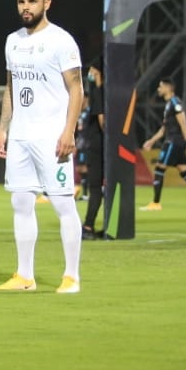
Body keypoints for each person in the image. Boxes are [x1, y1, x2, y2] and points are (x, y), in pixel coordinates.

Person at [0, 0, 85, 294]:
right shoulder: (12, 41)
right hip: (20, 136)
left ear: (46, 3)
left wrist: (69, 131)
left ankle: (71, 277)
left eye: (32, 2)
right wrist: (3, 128)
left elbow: (77, 89)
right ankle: (25, 276)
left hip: (51, 136)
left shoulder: (62, 41)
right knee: (20, 203)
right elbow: (11, 87)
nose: (25, 8)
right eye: (21, 2)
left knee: (62, 205)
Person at [141, 78, 186, 213]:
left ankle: (156, 203)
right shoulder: (169, 104)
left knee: (159, 169)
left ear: (168, 88)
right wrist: (151, 141)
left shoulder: (175, 103)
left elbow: (184, 124)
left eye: (160, 86)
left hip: (174, 142)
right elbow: (164, 128)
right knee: (185, 172)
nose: (158, 89)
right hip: (174, 141)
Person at [79, 60, 107, 238]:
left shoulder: (98, 92)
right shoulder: (105, 92)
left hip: (97, 146)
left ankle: (88, 226)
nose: (88, 73)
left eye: (91, 70)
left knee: (95, 186)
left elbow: (102, 121)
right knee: (100, 187)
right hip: (101, 145)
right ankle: (95, 225)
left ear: (97, 72)